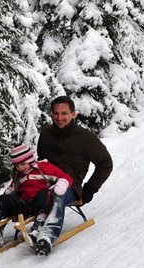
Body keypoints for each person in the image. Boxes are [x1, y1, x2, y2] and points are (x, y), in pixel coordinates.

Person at [36, 95, 113, 255]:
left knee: (58, 193)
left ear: (73, 114)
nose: (59, 118)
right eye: (56, 113)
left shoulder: (85, 138)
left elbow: (105, 163)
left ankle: (47, 236)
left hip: (70, 185)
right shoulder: (46, 134)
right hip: (45, 180)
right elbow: (41, 160)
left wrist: (89, 190)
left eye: (64, 113)